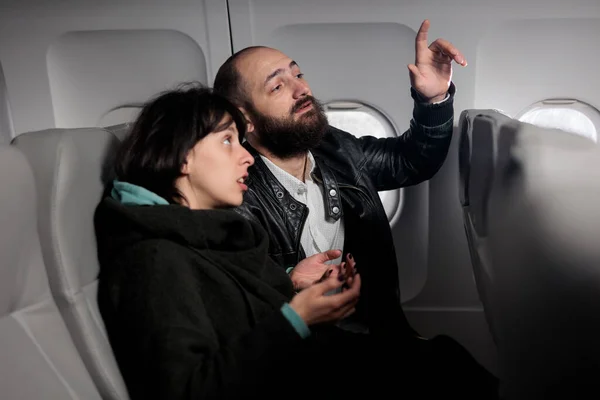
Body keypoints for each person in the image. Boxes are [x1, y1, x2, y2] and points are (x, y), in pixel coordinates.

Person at [94, 84, 498, 399]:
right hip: (290, 380)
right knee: (445, 373)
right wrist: (297, 318)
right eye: (227, 141)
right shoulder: (153, 258)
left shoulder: (206, 231)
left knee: (445, 360)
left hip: (300, 366)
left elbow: (229, 306)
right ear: (182, 157)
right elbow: (189, 391)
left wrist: (292, 282)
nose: (247, 157)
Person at [212, 19, 463, 339]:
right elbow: (235, 308)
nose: (302, 89)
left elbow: (410, 160)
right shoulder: (236, 195)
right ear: (243, 118)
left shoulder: (335, 147)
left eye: (298, 74)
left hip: (376, 331)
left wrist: (433, 99)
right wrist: (288, 285)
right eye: (277, 86)